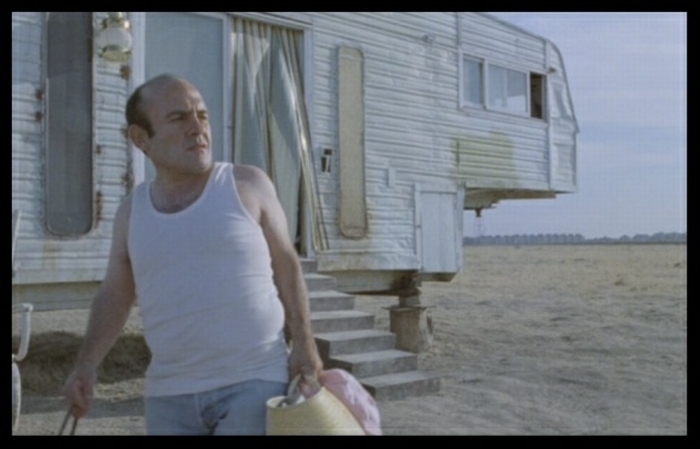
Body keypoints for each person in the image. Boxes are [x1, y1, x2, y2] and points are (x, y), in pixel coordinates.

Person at [62, 74, 323, 435]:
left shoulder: (247, 185)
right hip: (169, 392)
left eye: (202, 115)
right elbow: (115, 294)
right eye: (178, 118)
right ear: (140, 138)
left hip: (254, 378)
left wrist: (305, 344)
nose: (198, 128)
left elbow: (287, 266)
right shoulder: (132, 212)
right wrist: (86, 366)